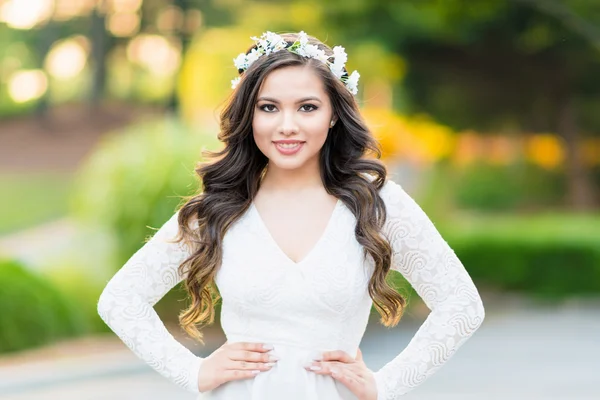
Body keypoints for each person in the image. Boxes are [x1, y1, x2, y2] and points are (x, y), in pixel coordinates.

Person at [97, 31, 485, 400]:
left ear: (334, 115)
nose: (287, 126)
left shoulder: (375, 202)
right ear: (250, 116)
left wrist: (386, 385)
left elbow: (461, 305)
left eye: (307, 107)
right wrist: (193, 372)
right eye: (269, 108)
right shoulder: (221, 206)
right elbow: (121, 299)